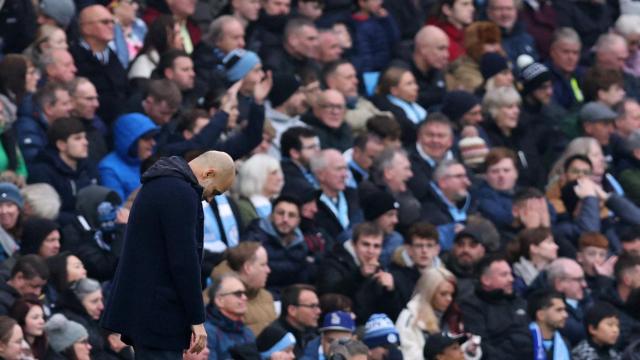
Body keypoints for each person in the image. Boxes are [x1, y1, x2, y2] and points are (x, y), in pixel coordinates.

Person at [101, 151, 236, 359]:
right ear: (208, 174)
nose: (209, 200)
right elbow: (183, 260)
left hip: (144, 309)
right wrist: (197, 319)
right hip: (159, 314)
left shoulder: (159, 184)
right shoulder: (181, 192)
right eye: (215, 192)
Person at [459, 254, 532, 359]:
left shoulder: (520, 303)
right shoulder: (471, 307)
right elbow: (479, 345)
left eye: (511, 274)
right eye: (504, 275)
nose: (511, 279)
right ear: (486, 280)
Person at [243, 195, 314, 289]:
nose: (285, 219)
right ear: (271, 215)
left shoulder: (301, 245)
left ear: (298, 221)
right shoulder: (254, 237)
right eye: (280, 213)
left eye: (291, 215)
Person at [396, 266, 465, 360]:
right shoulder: (409, 317)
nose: (449, 299)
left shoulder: (453, 315)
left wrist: (470, 351)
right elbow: (408, 355)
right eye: (443, 294)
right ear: (429, 293)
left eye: (452, 294)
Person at [208, 242, 275, 337]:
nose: (268, 270)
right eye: (263, 265)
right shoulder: (211, 299)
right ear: (248, 268)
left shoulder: (266, 296)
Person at [205, 272, 255, 360]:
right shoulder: (207, 332)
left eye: (244, 293)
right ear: (220, 300)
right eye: (238, 294)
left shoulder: (247, 332)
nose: (244, 298)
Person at [271, 284, 321, 358]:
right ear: (292, 310)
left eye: (318, 306)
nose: (318, 311)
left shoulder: (311, 333)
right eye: (312, 306)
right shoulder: (275, 337)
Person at [527, 289, 571, 360]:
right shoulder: (521, 343)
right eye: (559, 310)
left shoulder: (565, 343)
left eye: (564, 310)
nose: (565, 315)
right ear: (541, 315)